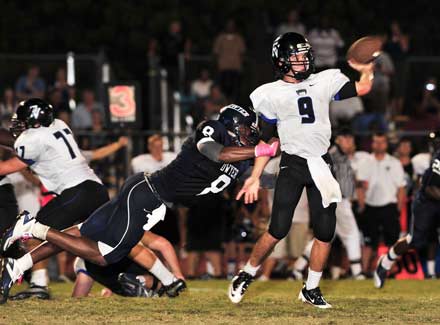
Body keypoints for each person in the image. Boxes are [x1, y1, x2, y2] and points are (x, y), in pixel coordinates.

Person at [0, 104, 279, 303]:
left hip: (151, 196)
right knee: (102, 255)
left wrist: (294, 172)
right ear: (229, 126)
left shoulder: (242, 161)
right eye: (245, 129)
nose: (250, 134)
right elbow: (215, 152)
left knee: (85, 233)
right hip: (147, 193)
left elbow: (266, 179)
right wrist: (258, 150)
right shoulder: (212, 130)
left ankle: (20, 263)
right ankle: (34, 228)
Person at [228, 32, 374, 308]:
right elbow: (268, 140)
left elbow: (362, 88)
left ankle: (311, 288)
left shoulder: (324, 80)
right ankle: (246, 273)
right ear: (281, 61)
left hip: (321, 162)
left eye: (305, 55)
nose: (303, 61)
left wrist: (367, 70)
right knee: (278, 229)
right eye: (296, 57)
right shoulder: (269, 93)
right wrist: (255, 177)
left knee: (325, 231)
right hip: (293, 163)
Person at [0, 98, 109, 300]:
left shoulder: (32, 138)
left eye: (23, 120)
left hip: (76, 192)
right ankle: (134, 279)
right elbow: (18, 141)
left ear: (34, 122)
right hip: (97, 190)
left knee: (31, 235)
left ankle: (39, 284)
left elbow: (7, 167)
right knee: (98, 244)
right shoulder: (59, 124)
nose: (19, 125)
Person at [291, 128, 364, 280]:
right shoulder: (332, 154)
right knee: (351, 234)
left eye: (351, 139)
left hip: (336, 200)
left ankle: (297, 268)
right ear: (338, 139)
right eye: (346, 138)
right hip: (336, 200)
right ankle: (357, 272)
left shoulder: (344, 156)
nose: (350, 142)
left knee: (323, 237)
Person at [374, 132, 440, 288]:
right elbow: (431, 188)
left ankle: (431, 272)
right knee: (413, 240)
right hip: (427, 203)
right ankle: (386, 262)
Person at [72, 231, 184, 298]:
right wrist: (177, 274)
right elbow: (164, 244)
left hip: (99, 263)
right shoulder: (124, 225)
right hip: (99, 264)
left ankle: (144, 283)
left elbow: (163, 245)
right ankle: (147, 283)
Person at [356, 133, 406, 275]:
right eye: (376, 142)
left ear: (386, 144)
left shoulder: (394, 163)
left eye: (382, 142)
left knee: (392, 241)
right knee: (368, 241)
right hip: (370, 206)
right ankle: (364, 271)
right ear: (372, 144)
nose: (379, 145)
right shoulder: (365, 162)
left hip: (389, 206)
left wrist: (398, 208)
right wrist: (362, 205)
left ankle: (391, 270)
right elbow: (359, 186)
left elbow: (401, 188)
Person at [213, 19, 246, 102]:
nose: (230, 27)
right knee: (224, 88)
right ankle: (224, 103)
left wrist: (241, 66)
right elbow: (216, 52)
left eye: (232, 25)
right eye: (228, 25)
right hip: (223, 68)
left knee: (235, 89)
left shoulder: (239, 39)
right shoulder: (220, 38)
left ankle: (233, 104)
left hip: (235, 67)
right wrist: (218, 64)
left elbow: (242, 53)